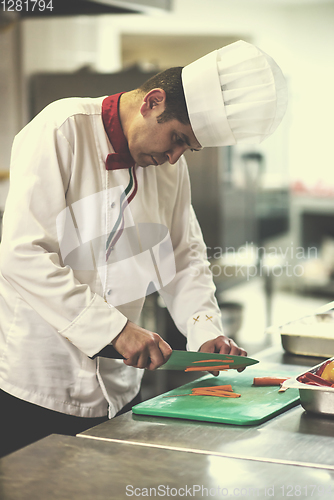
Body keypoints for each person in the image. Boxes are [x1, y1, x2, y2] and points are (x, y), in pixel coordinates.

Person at [0, 40, 288, 456]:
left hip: (120, 390)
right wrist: (114, 329)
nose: (174, 158)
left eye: (187, 148)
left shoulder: (171, 169)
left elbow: (184, 256)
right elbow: (21, 255)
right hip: (38, 387)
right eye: (176, 138)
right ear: (153, 102)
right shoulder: (60, 128)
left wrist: (204, 330)